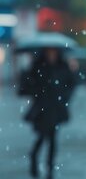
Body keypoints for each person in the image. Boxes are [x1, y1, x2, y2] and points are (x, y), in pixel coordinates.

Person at [23, 47, 76, 178]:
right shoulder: (38, 66)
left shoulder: (63, 66)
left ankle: (50, 168)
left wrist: (64, 97)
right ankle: (34, 159)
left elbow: (71, 84)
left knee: (52, 139)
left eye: (54, 52)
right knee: (42, 137)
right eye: (49, 52)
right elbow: (28, 85)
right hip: (42, 109)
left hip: (56, 108)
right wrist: (39, 92)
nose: (52, 55)